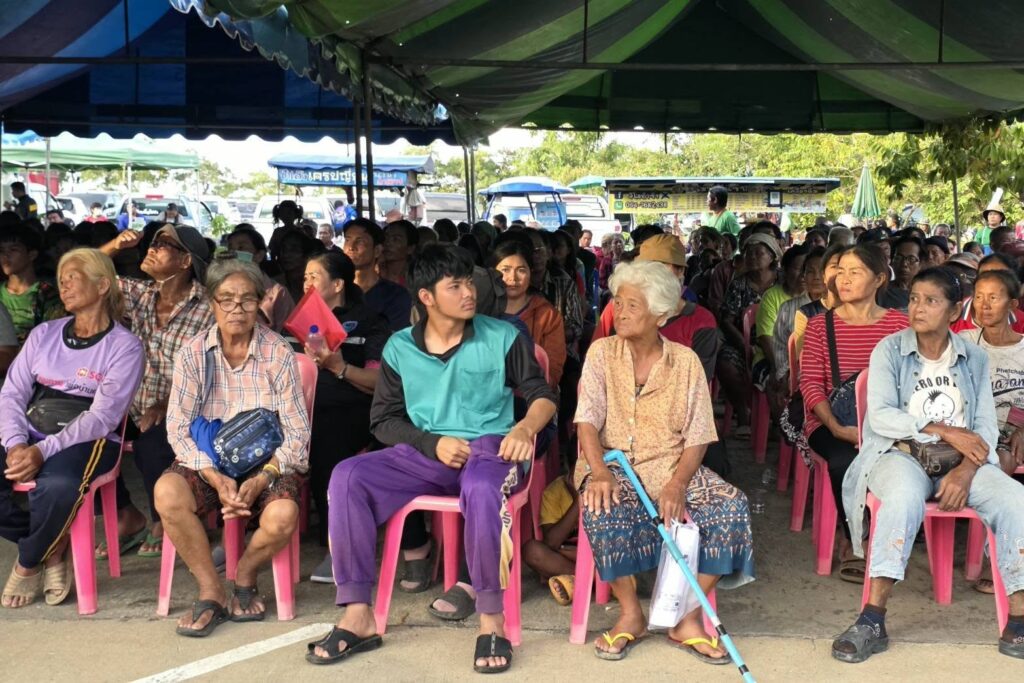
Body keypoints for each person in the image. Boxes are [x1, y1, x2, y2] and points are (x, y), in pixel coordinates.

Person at [308, 245, 556, 672]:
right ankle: (357, 613)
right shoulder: (400, 348)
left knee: (482, 487)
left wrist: (523, 429)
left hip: (490, 450)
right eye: (454, 286)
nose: (469, 293)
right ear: (426, 297)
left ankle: (491, 620)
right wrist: (431, 442)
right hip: (428, 452)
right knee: (347, 475)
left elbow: (543, 396)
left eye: (468, 283)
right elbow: (383, 421)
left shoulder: (503, 336)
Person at [833, 267, 1024, 663]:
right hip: (901, 454)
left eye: (931, 301)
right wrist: (944, 430)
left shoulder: (973, 356)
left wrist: (966, 470)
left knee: (1015, 500)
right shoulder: (890, 350)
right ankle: (872, 619)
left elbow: (985, 425)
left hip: (962, 462)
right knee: (901, 499)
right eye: (914, 299)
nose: (918, 308)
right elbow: (881, 417)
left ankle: (1019, 620)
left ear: (954, 311)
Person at [576, 259, 754, 663]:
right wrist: (599, 472)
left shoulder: (685, 362)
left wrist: (677, 483)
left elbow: (699, 434)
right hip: (612, 463)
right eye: (617, 303)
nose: (620, 312)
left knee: (731, 506)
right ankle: (631, 614)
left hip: (672, 463)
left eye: (632, 306)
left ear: (660, 315)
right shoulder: (602, 353)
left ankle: (686, 617)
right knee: (603, 506)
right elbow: (586, 421)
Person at [155, 258, 310, 634]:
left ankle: (245, 573)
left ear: (260, 303)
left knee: (282, 515)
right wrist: (212, 474)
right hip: (209, 459)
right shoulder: (193, 353)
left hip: (266, 460)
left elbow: (297, 433)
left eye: (247, 300)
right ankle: (211, 590)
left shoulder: (277, 352)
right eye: (226, 299)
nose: (236, 309)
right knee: (167, 493)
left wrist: (262, 478)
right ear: (212, 303)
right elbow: (177, 428)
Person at [0, 248, 144, 608]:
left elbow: (103, 417)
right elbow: (13, 393)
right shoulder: (43, 334)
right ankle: (51, 547)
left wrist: (42, 450)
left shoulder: (125, 346)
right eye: (61, 280)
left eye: (72, 278)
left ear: (102, 285)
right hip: (33, 425)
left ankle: (28, 562)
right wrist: (16, 444)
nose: (63, 286)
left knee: (60, 485)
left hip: (89, 436)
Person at [97, 224, 214, 559]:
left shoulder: (208, 306)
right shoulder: (140, 294)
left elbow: (213, 368)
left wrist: (167, 402)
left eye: (162, 244)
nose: (151, 247)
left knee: (151, 444)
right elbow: (87, 274)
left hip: (189, 407)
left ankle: (165, 519)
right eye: (153, 242)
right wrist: (115, 246)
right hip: (134, 405)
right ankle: (126, 515)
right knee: (87, 434)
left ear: (185, 261)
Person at [800, 245, 909, 583]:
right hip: (833, 422)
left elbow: (911, 379)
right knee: (844, 461)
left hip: (887, 423)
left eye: (855, 272)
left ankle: (894, 533)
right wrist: (835, 426)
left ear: (879, 279)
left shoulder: (900, 324)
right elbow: (810, 383)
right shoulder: (820, 326)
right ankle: (854, 538)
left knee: (908, 462)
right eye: (840, 271)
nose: (843, 279)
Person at [299, 252, 390, 583]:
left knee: (327, 439)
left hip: (352, 412)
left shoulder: (368, 322)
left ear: (337, 284)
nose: (306, 283)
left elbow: (378, 382)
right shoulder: (296, 323)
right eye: (305, 277)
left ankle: (336, 546)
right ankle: (240, 538)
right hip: (297, 412)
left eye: (314, 277)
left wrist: (339, 368)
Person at [592, 234, 720, 381]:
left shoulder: (701, 321)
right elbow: (595, 366)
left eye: (660, 266)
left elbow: (697, 382)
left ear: (680, 271)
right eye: (646, 267)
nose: (652, 274)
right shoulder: (617, 308)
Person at [959, 269, 1024, 477]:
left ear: (1012, 304)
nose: (984, 305)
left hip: (1011, 435)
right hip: (971, 431)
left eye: (993, 298)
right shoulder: (964, 341)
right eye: (978, 297)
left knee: (1001, 459)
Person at [716, 232, 782, 433]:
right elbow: (726, 320)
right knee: (725, 363)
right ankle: (743, 414)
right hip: (743, 342)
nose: (752, 257)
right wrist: (744, 345)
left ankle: (780, 421)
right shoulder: (739, 283)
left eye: (758, 253)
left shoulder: (782, 282)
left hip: (777, 342)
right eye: (748, 253)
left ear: (772, 256)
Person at [492, 240, 566, 386]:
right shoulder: (480, 311)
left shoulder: (547, 315)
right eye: (505, 270)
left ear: (530, 273)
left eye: (521, 270)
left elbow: (553, 369)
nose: (513, 278)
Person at [754, 244, 808, 395]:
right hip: (770, 358)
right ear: (784, 270)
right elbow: (766, 338)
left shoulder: (815, 298)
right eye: (798, 269)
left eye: (807, 269)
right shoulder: (771, 297)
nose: (803, 275)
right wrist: (780, 368)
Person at [342, 218, 412, 331]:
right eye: (347, 240)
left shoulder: (395, 295)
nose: (351, 247)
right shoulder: (335, 289)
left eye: (360, 241)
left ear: (377, 250)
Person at [0, 222, 64, 344]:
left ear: (32, 254)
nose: (5, 255)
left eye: (13, 249)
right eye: (1, 250)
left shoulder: (47, 295)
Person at [522, 473, 578, 605]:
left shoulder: (604, 484)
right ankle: (596, 581)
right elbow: (551, 542)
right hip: (567, 556)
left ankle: (576, 581)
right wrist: (578, 503)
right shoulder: (555, 491)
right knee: (532, 551)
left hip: (597, 555)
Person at [226, 225, 295, 332]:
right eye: (230, 248)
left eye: (241, 248)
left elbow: (287, 333)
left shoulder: (278, 293)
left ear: (259, 255)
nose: (234, 253)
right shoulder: (222, 287)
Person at [888, 235, 925, 311]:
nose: (904, 264)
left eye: (911, 259)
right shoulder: (880, 292)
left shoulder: (928, 293)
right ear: (892, 262)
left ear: (920, 264)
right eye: (899, 258)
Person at [380, 220, 418, 286]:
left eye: (396, 239)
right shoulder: (373, 275)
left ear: (410, 248)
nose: (387, 243)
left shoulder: (416, 280)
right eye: (385, 237)